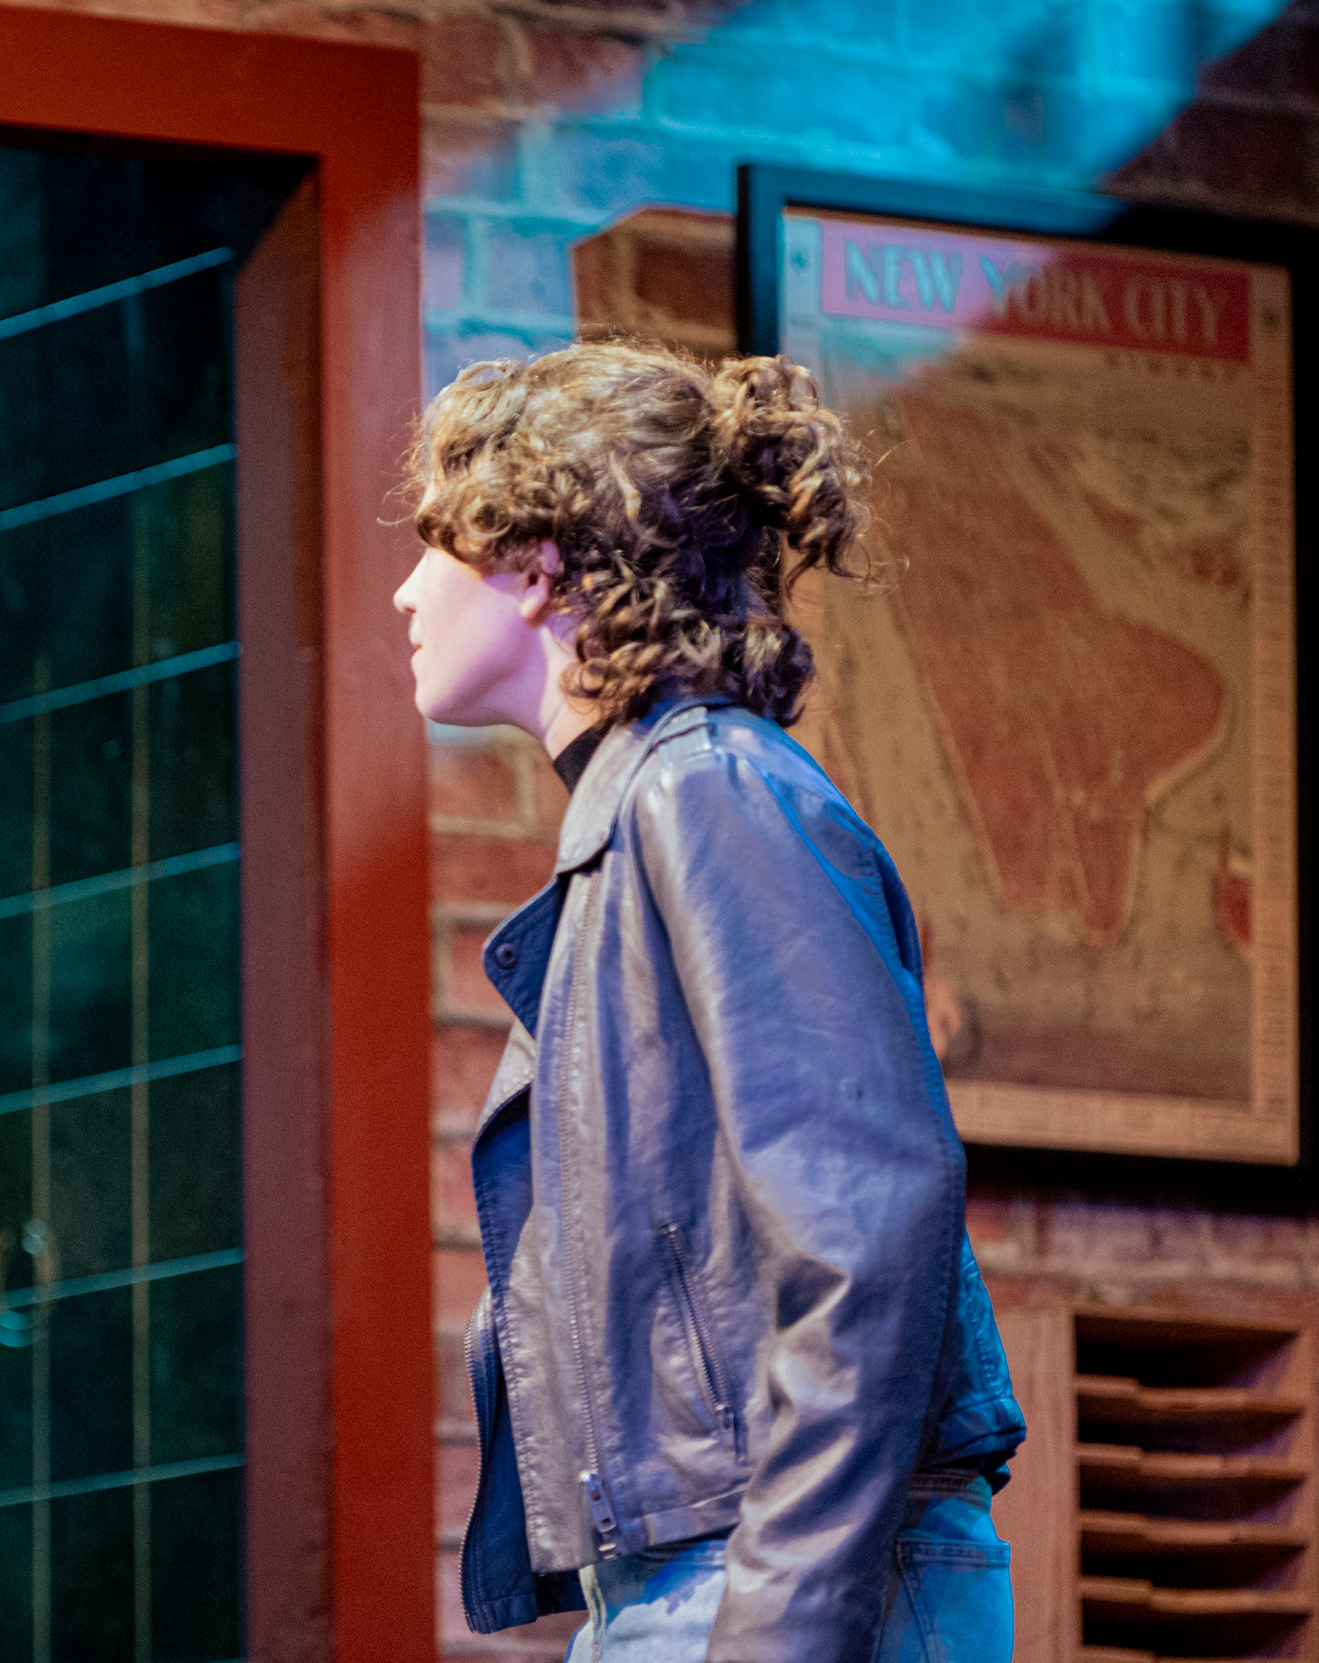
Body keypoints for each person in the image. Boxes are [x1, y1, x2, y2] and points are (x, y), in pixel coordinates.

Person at [398, 342, 1026, 1661]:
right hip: (692, 1574)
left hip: (772, 1570)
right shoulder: (650, 810)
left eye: (435, 544)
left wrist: (777, 1628)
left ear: (536, 565)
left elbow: (865, 1228)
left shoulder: (709, 789)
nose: (407, 591)